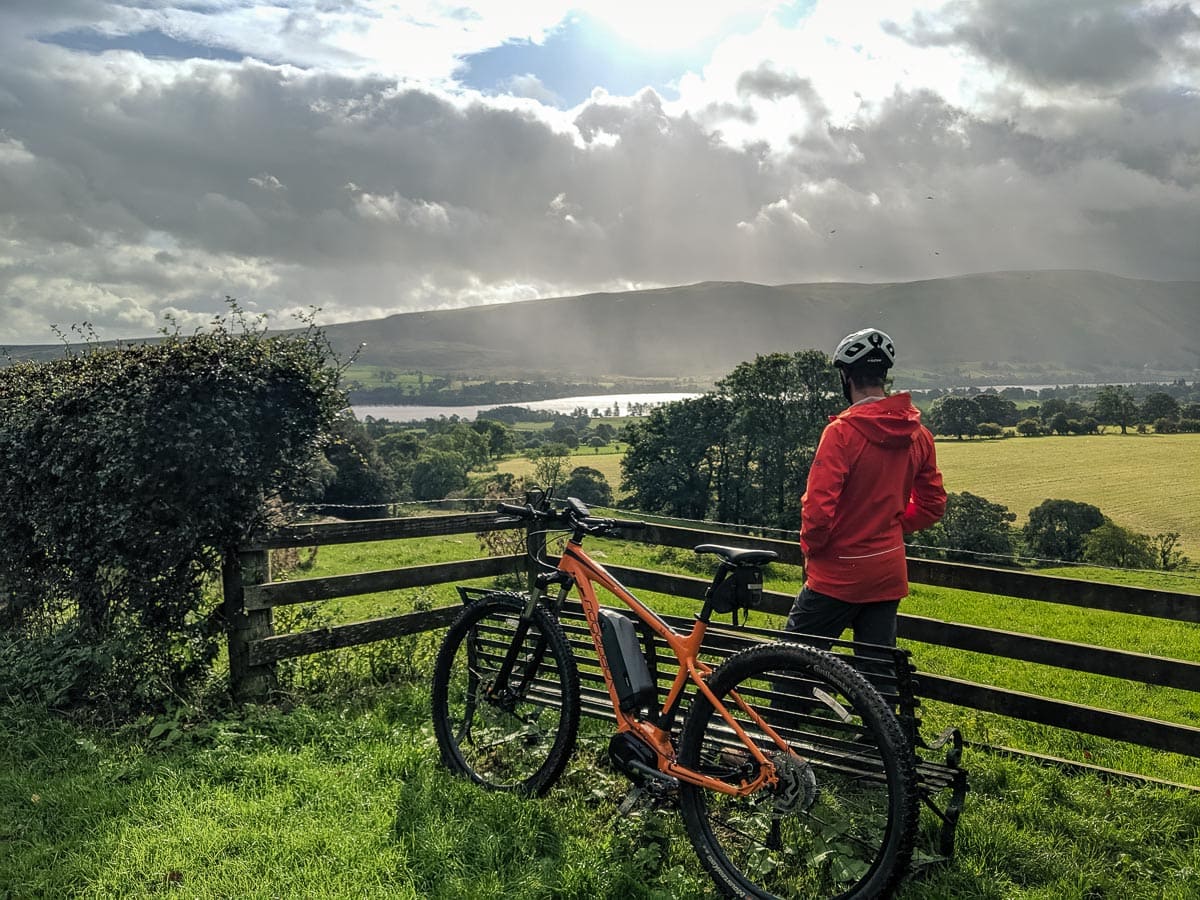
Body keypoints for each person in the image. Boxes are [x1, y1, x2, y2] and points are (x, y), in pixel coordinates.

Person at [786, 327, 946, 650]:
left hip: (836, 574)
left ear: (846, 376)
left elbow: (817, 513)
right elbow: (932, 505)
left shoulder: (840, 434)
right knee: (876, 677)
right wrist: (889, 527)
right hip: (887, 572)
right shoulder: (918, 434)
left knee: (791, 667)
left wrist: (811, 550)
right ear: (883, 376)